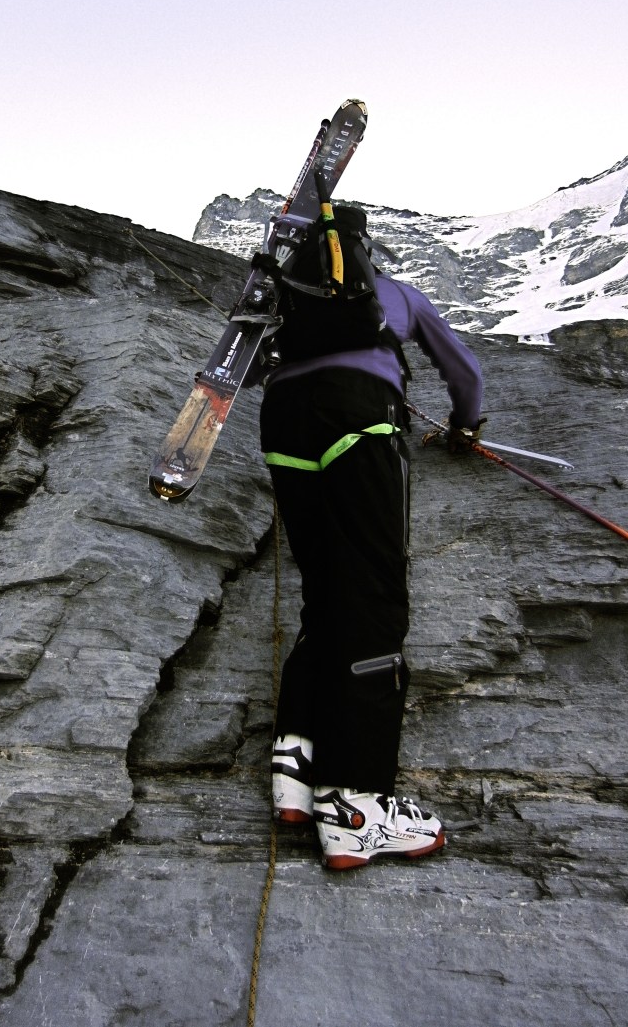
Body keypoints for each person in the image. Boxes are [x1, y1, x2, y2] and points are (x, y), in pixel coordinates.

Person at [257, 204, 484, 871]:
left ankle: (294, 763)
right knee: (375, 601)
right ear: (364, 251)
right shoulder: (395, 295)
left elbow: (241, 368)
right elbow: (464, 371)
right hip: (359, 420)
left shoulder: (286, 301)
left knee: (323, 593)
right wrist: (465, 425)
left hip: (282, 426)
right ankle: (357, 805)